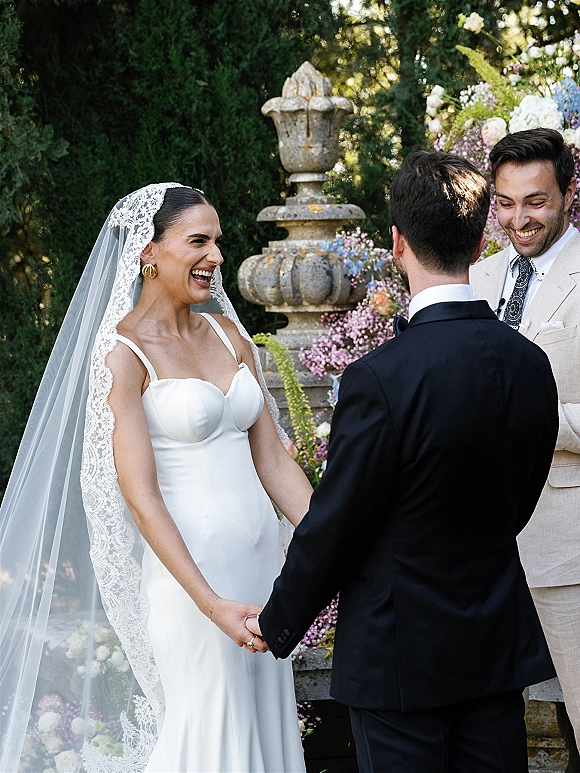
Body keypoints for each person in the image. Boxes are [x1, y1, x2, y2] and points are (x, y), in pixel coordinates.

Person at [246, 151, 558, 773]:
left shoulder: (378, 378)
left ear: (396, 242)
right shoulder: (530, 363)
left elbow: (338, 523)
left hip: (398, 657)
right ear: (480, 236)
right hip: (492, 649)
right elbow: (518, 500)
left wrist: (279, 622)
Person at [0, 183, 311, 773]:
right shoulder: (121, 353)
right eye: (198, 240)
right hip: (192, 585)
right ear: (149, 252)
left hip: (265, 574)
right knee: (209, 736)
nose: (216, 256)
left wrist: (338, 545)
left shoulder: (229, 335)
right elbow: (140, 498)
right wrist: (212, 604)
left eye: (217, 241)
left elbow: (274, 463)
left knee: (263, 733)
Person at [470, 127, 580, 747]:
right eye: (506, 203)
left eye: (536, 201)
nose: (519, 218)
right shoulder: (476, 277)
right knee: (486, 736)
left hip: (569, 542)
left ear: (567, 193)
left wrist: (532, 421)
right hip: (477, 548)